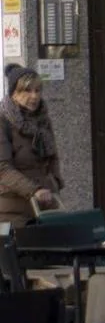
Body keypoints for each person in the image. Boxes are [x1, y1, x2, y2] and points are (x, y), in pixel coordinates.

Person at [0, 64, 62, 228]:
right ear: (14, 93)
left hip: (45, 207)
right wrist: (34, 190)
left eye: (37, 90)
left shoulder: (42, 120)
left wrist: (55, 182)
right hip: (12, 212)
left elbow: (52, 157)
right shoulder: (3, 120)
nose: (34, 96)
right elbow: (2, 168)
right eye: (27, 91)